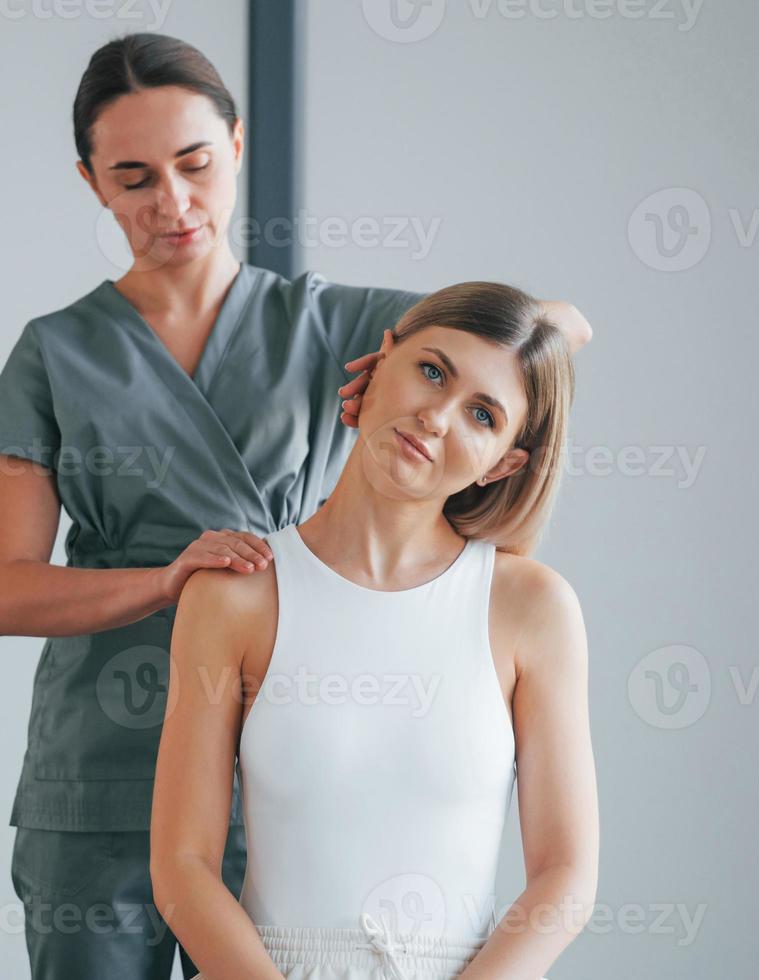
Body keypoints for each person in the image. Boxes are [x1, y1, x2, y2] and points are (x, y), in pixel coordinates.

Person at [0, 33, 593, 980]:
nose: (171, 203)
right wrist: (171, 580)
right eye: (132, 178)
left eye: (196, 164)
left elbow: (544, 335)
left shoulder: (330, 323)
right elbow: (3, 596)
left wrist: (405, 375)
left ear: (238, 148)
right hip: (104, 758)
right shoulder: (57, 351)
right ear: (91, 183)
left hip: (283, 749)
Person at [150, 282, 598, 980]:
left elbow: (565, 878)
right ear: (377, 363)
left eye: (482, 414)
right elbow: (182, 869)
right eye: (430, 371)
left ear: (505, 462)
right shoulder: (236, 596)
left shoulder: (532, 607)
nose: (437, 417)